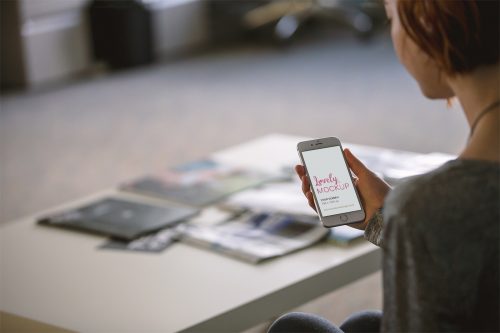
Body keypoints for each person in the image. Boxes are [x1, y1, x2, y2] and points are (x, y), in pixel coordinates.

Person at [268, 0, 499, 332]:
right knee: (363, 325)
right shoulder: (441, 206)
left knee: (294, 328)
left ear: (429, 27)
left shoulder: (433, 205)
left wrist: (412, 215)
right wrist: (384, 219)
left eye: (392, 19)